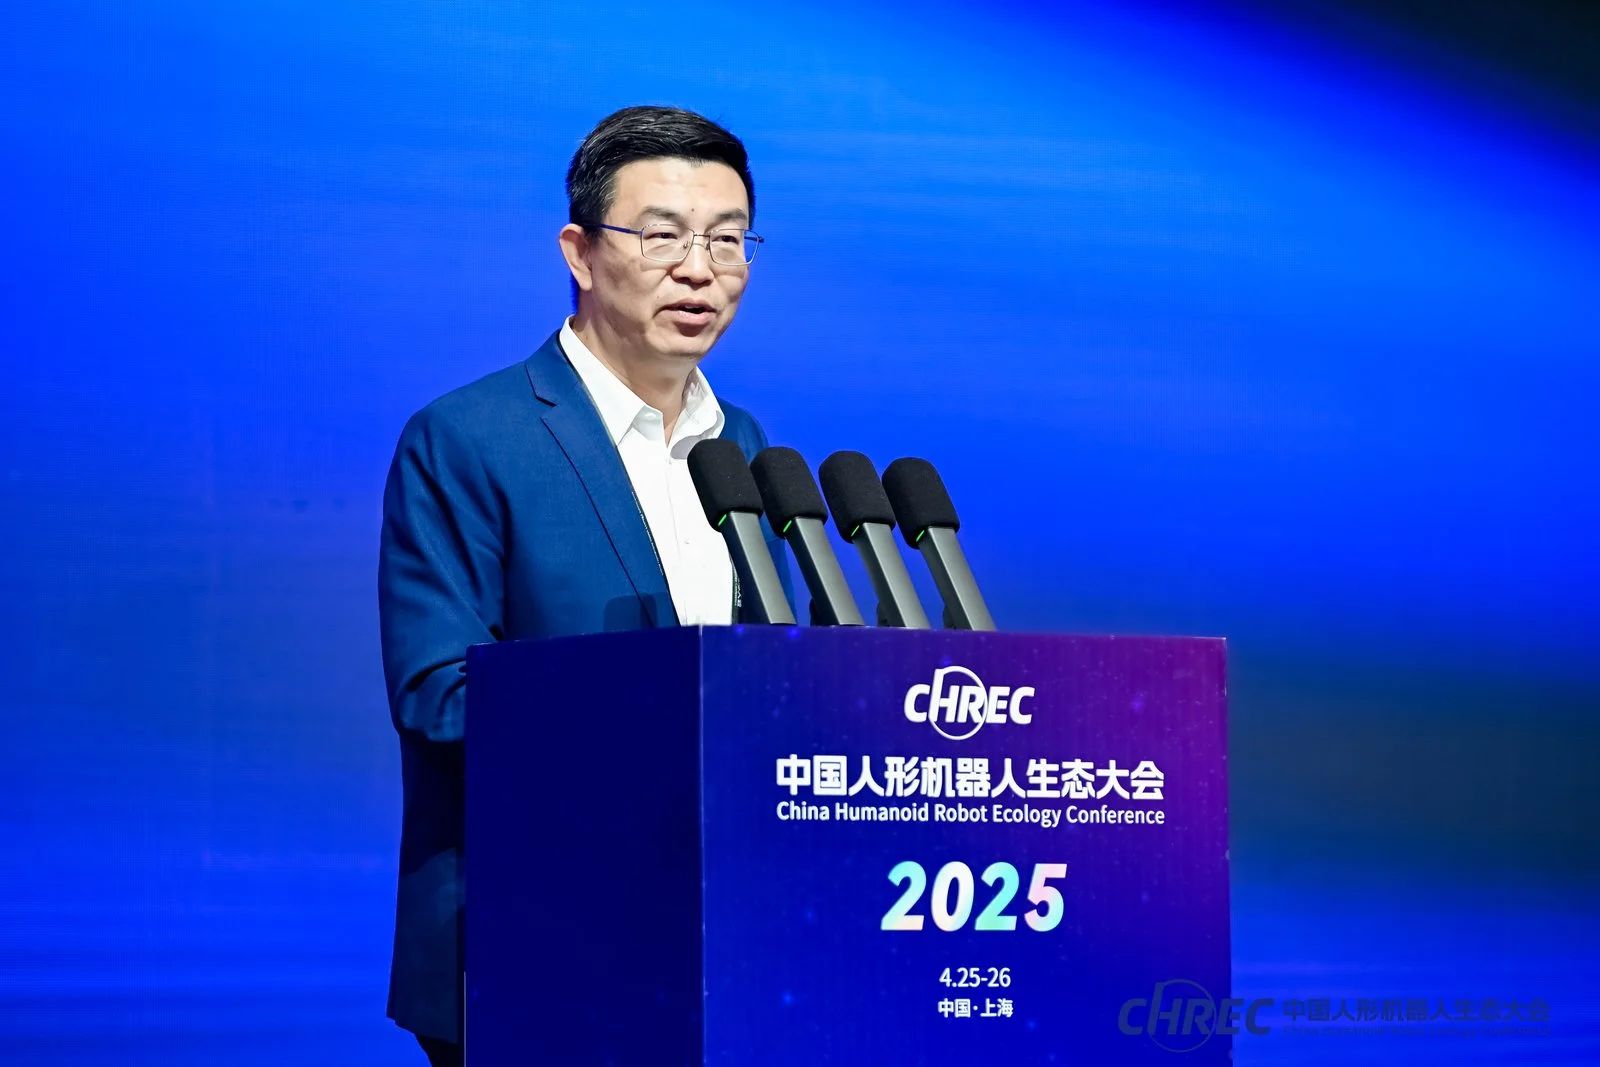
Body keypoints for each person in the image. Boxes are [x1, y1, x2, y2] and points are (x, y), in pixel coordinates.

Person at [377, 105, 791, 1066]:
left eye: (728, 240)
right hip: (528, 940)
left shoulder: (744, 446)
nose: (700, 269)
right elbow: (438, 694)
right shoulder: (468, 437)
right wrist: (670, 712)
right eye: (663, 236)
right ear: (580, 252)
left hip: (715, 942)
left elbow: (772, 672)